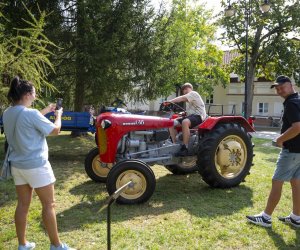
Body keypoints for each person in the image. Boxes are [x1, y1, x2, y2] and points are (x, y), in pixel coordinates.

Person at [3, 77, 75, 250]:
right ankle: (56, 246)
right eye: (34, 94)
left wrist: (45, 111)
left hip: (17, 166)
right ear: (27, 94)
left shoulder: (7, 113)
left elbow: (25, 122)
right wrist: (58, 116)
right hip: (36, 166)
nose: (35, 97)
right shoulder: (31, 114)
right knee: (49, 204)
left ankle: (23, 244)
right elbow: (55, 130)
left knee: (22, 205)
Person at [246, 75, 300, 228]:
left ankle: (266, 217)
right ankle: (296, 217)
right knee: (296, 182)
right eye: (277, 88)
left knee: (277, 181)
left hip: (292, 151)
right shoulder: (298, 100)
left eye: (282, 87)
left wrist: (280, 139)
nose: (279, 90)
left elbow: (297, 127)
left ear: (290, 85)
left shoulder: (291, 103)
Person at [164, 83, 206, 156]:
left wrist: (170, 101)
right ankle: (175, 144)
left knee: (185, 122)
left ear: (191, 89)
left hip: (199, 116)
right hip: (191, 116)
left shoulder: (193, 94)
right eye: (183, 90)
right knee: (171, 122)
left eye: (187, 88)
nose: (185, 90)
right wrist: (184, 113)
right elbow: (190, 112)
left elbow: (182, 98)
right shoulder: (188, 101)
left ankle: (185, 147)